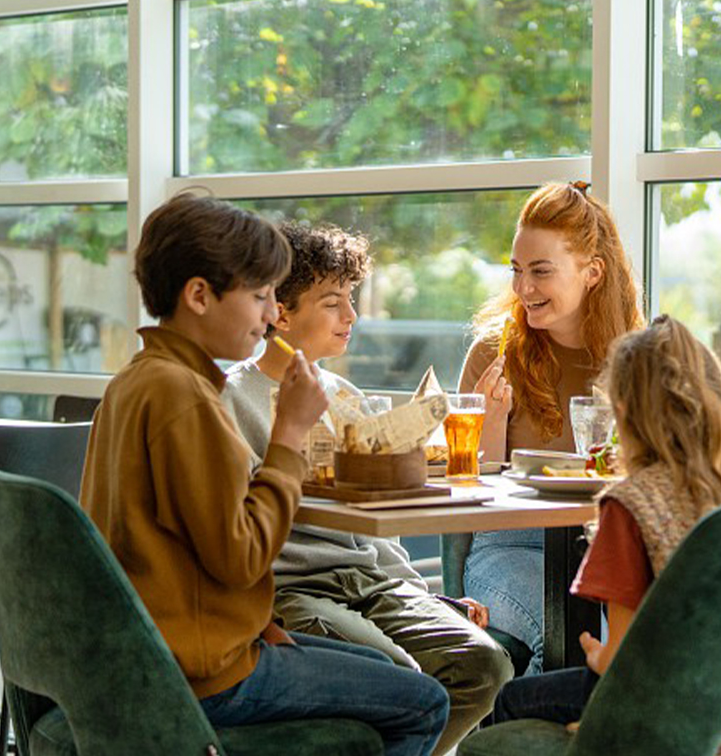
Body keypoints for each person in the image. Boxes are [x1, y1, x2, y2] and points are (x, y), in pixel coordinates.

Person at [80, 193, 448, 756]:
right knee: (423, 702)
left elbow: (185, 550)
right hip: (204, 673)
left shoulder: (137, 380)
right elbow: (241, 555)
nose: (269, 312)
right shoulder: (188, 399)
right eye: (258, 296)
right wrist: (290, 437)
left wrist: (252, 623)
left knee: (377, 666)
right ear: (199, 296)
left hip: (161, 646)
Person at [221, 220, 513, 754]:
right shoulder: (230, 401)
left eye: (351, 298)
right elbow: (232, 530)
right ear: (280, 313)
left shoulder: (346, 394)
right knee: (406, 682)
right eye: (333, 302)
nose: (352, 316)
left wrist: (426, 595)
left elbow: (379, 534)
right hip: (293, 591)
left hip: (372, 582)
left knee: (484, 665)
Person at [490, 315, 721, 755]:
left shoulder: (634, 503)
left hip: (686, 708)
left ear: (623, 413)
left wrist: (593, 651)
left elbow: (622, 665)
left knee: (512, 699)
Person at [457, 181, 645, 675]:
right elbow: (463, 489)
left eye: (541, 271)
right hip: (512, 545)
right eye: (517, 271)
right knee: (565, 630)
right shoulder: (491, 353)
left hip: (614, 548)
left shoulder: (639, 357)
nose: (523, 289)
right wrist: (491, 425)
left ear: (593, 273)